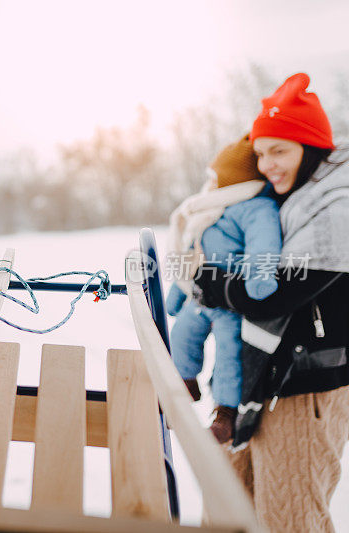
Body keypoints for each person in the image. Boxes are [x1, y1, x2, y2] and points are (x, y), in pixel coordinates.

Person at [194, 72, 349, 533]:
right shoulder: (285, 197)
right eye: (260, 153)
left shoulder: (335, 207)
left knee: (290, 520)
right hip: (256, 379)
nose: (267, 164)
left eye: (279, 150)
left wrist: (208, 280)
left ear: (312, 147)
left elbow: (272, 294)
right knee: (226, 513)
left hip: (305, 389)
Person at [166, 135, 282, 443]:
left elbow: (264, 245)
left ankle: (225, 412)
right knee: (181, 335)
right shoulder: (209, 208)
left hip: (229, 301)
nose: (211, 182)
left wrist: (259, 279)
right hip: (200, 295)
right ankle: (185, 384)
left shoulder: (257, 207)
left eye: (218, 177)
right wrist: (176, 295)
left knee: (230, 354)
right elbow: (190, 252)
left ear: (235, 180)